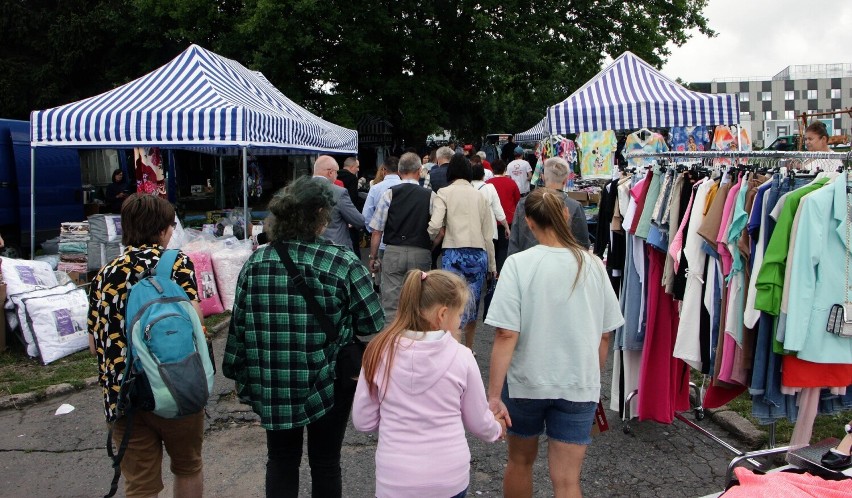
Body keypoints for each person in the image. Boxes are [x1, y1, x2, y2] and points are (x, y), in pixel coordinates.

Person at [223, 176, 384, 498]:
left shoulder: (257, 262)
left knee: (281, 459)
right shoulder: (342, 261)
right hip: (328, 380)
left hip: (273, 378)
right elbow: (371, 323)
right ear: (320, 215)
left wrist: (239, 372)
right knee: (325, 461)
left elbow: (238, 326)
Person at [485, 188, 624, 498]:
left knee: (520, 462)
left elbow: (506, 334)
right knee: (567, 481)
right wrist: (591, 377)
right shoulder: (593, 266)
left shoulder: (518, 265)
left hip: (525, 383)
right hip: (577, 384)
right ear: (566, 215)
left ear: (528, 222)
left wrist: (493, 396)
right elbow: (604, 334)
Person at [87, 193, 206, 498]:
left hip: (124, 393)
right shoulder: (177, 264)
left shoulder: (105, 274)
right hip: (176, 384)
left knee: (140, 484)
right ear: (164, 229)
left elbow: (93, 344)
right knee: (188, 466)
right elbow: (193, 322)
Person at [352, 269, 505, 498]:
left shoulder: (378, 351)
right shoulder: (462, 357)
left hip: (395, 479)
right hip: (448, 478)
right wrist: (497, 428)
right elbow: (479, 422)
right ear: (443, 315)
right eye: (460, 315)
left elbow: (363, 421)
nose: (460, 321)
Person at [427, 153, 495, 348]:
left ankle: (452, 347)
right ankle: (469, 348)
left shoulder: (444, 193)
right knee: (472, 305)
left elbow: (435, 224)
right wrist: (492, 265)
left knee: (452, 304)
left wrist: (428, 237)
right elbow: (488, 235)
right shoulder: (480, 196)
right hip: (477, 254)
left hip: (454, 253)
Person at [367, 152, 437, 320]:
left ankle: (392, 342)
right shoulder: (430, 196)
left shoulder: (389, 194)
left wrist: (373, 256)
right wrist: (430, 247)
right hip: (420, 250)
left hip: (393, 251)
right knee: (419, 301)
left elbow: (377, 230)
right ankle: (416, 340)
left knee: (391, 303)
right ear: (419, 170)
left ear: (399, 171)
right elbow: (439, 229)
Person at [508, 157, 591, 256]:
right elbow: (582, 244)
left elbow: (514, 242)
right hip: (564, 266)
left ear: (542, 177)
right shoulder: (574, 206)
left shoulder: (524, 204)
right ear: (565, 180)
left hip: (527, 265)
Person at [312, 156, 365, 253]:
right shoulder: (338, 192)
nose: (337, 176)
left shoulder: (298, 190)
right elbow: (359, 221)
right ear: (330, 172)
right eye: (336, 172)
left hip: (307, 249)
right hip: (335, 249)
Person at [487, 159, 521, 273]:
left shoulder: (487, 183)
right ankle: (501, 272)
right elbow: (517, 201)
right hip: (508, 219)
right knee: (503, 248)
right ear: (505, 170)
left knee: (491, 247)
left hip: (491, 220)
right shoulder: (511, 183)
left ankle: (491, 271)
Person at [338, 157, 365, 251]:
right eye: (357, 167)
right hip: (349, 214)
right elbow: (353, 198)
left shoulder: (335, 175)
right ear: (351, 166)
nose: (358, 169)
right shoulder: (352, 178)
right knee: (354, 244)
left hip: (337, 214)